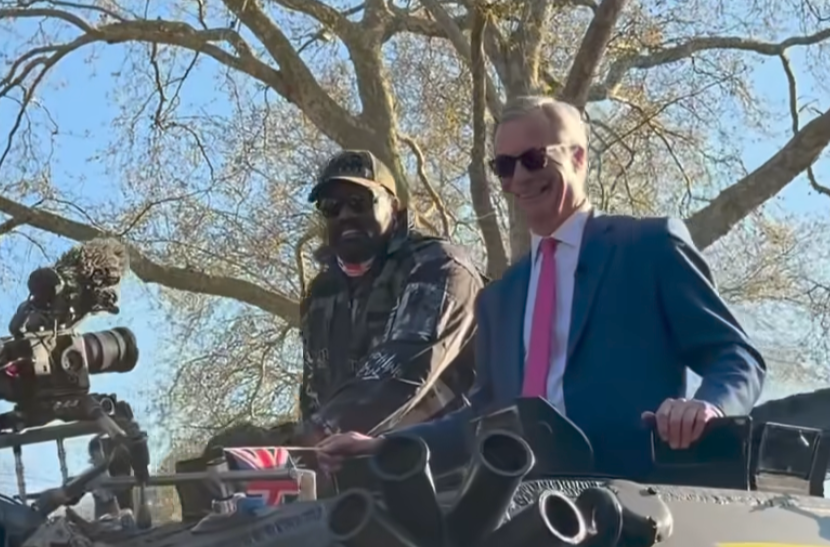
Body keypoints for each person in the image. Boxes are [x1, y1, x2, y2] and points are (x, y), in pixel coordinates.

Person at [321, 97, 765, 480]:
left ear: (578, 158)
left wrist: (708, 407)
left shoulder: (648, 247)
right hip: (523, 516)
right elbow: (482, 418)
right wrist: (386, 446)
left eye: (533, 159)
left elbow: (736, 356)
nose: (518, 179)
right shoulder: (499, 299)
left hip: (634, 509)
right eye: (504, 166)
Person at [298, 149, 482, 439]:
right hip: (345, 456)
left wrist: (316, 435)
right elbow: (313, 398)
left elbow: (403, 370)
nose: (345, 215)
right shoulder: (321, 296)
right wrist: (290, 446)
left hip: (446, 455)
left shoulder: (437, 265)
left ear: (393, 208)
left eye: (359, 202)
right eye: (331, 207)